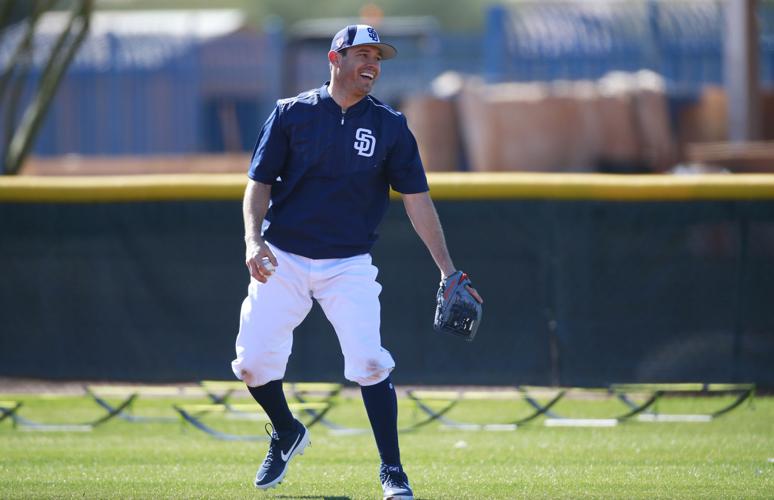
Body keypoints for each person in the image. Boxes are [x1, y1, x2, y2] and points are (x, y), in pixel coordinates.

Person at [231, 24, 483, 500]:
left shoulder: (390, 125)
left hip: (347, 263)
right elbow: (258, 183)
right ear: (335, 59)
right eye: (362, 53)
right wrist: (252, 241)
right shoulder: (291, 114)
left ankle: (393, 472)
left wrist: (448, 270)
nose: (372, 63)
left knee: (369, 361)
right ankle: (286, 430)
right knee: (252, 365)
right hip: (282, 255)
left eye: (378, 57)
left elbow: (417, 200)